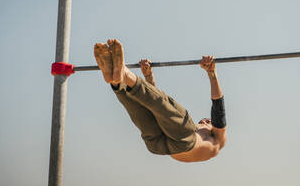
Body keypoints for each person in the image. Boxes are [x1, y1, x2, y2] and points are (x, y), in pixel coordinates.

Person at [94, 39, 227, 163]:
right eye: (203, 121)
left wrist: (212, 73)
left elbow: (218, 111)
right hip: (158, 145)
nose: (203, 121)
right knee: (140, 109)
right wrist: (148, 76)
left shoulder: (218, 141)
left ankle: (125, 73)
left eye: (207, 121)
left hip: (183, 141)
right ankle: (116, 83)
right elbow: (154, 107)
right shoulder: (204, 137)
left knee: (173, 109)